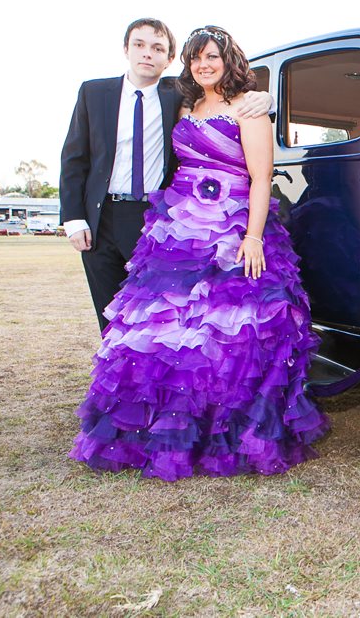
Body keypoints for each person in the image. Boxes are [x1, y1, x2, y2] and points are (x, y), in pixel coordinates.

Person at [68, 25, 329, 480]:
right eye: (195, 58)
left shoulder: (249, 108)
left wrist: (251, 237)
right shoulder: (184, 102)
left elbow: (262, 178)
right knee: (167, 327)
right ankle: (156, 423)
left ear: (229, 59)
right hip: (179, 226)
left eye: (213, 57)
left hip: (233, 225)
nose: (204, 65)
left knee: (233, 329)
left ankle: (219, 428)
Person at [60, 18, 273, 333]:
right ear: (126, 49)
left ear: (170, 59)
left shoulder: (177, 95)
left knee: (154, 307)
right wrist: (73, 217)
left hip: (152, 216)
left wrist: (265, 98)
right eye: (140, 45)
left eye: (157, 48)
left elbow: (232, 106)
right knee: (108, 309)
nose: (147, 54)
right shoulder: (94, 92)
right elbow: (74, 157)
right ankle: (119, 376)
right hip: (100, 217)